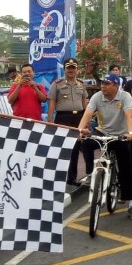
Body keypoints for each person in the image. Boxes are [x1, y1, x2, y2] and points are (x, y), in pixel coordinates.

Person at [77, 72, 132, 220]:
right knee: (86, 144)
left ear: (116, 85)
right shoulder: (97, 96)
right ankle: (90, 173)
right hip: (103, 132)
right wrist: (81, 129)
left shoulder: (125, 96)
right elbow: (87, 113)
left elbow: (129, 116)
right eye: (102, 84)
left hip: (121, 135)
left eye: (107, 84)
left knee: (126, 170)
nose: (103, 87)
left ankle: (131, 204)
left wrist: (130, 132)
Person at [47, 58, 88, 186]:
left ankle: (72, 178)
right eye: (68, 68)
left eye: (73, 68)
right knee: (61, 149)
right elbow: (52, 102)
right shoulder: (57, 84)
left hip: (78, 119)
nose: (71, 70)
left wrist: (86, 121)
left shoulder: (81, 84)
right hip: (62, 118)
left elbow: (85, 103)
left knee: (75, 148)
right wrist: (50, 121)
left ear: (77, 70)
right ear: (64, 69)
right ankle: (59, 178)